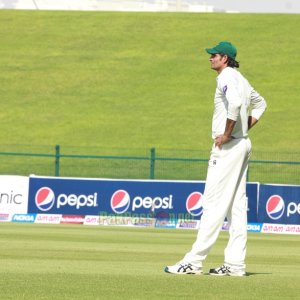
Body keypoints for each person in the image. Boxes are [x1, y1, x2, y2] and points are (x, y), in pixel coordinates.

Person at [165, 41, 267, 276]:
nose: (210, 58)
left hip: (229, 147)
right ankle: (235, 265)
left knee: (212, 204)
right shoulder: (241, 79)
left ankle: (194, 261)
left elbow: (236, 103)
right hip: (242, 144)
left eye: (215, 55)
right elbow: (261, 104)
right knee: (237, 207)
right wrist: (244, 129)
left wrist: (229, 133)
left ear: (225, 58)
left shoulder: (226, 77)